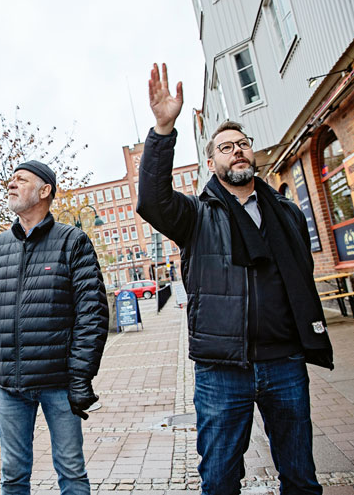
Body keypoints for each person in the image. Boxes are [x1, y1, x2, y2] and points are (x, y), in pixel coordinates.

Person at [137, 63, 333, 494]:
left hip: (284, 362)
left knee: (300, 476)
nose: (237, 151)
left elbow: (302, 274)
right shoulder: (195, 215)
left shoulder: (286, 213)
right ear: (211, 162)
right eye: (226, 147)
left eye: (243, 144)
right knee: (221, 478)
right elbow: (152, 201)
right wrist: (163, 130)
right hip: (222, 369)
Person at [0, 161, 109, 495]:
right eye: (11, 180)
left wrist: (80, 376)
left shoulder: (72, 242)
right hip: (8, 384)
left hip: (59, 383)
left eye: (21, 179)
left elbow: (91, 314)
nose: (11, 184)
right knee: (13, 475)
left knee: (71, 471)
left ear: (44, 190)